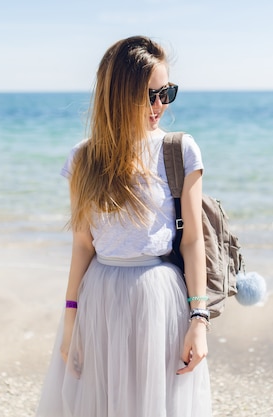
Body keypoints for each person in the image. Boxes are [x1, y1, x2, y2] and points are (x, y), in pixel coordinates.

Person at [35, 36, 212, 417]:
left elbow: (193, 241)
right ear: (118, 95)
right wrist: (70, 323)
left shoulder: (179, 150)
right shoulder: (83, 159)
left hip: (160, 299)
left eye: (167, 93)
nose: (160, 105)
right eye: (150, 95)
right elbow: (83, 247)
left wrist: (199, 320)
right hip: (99, 299)